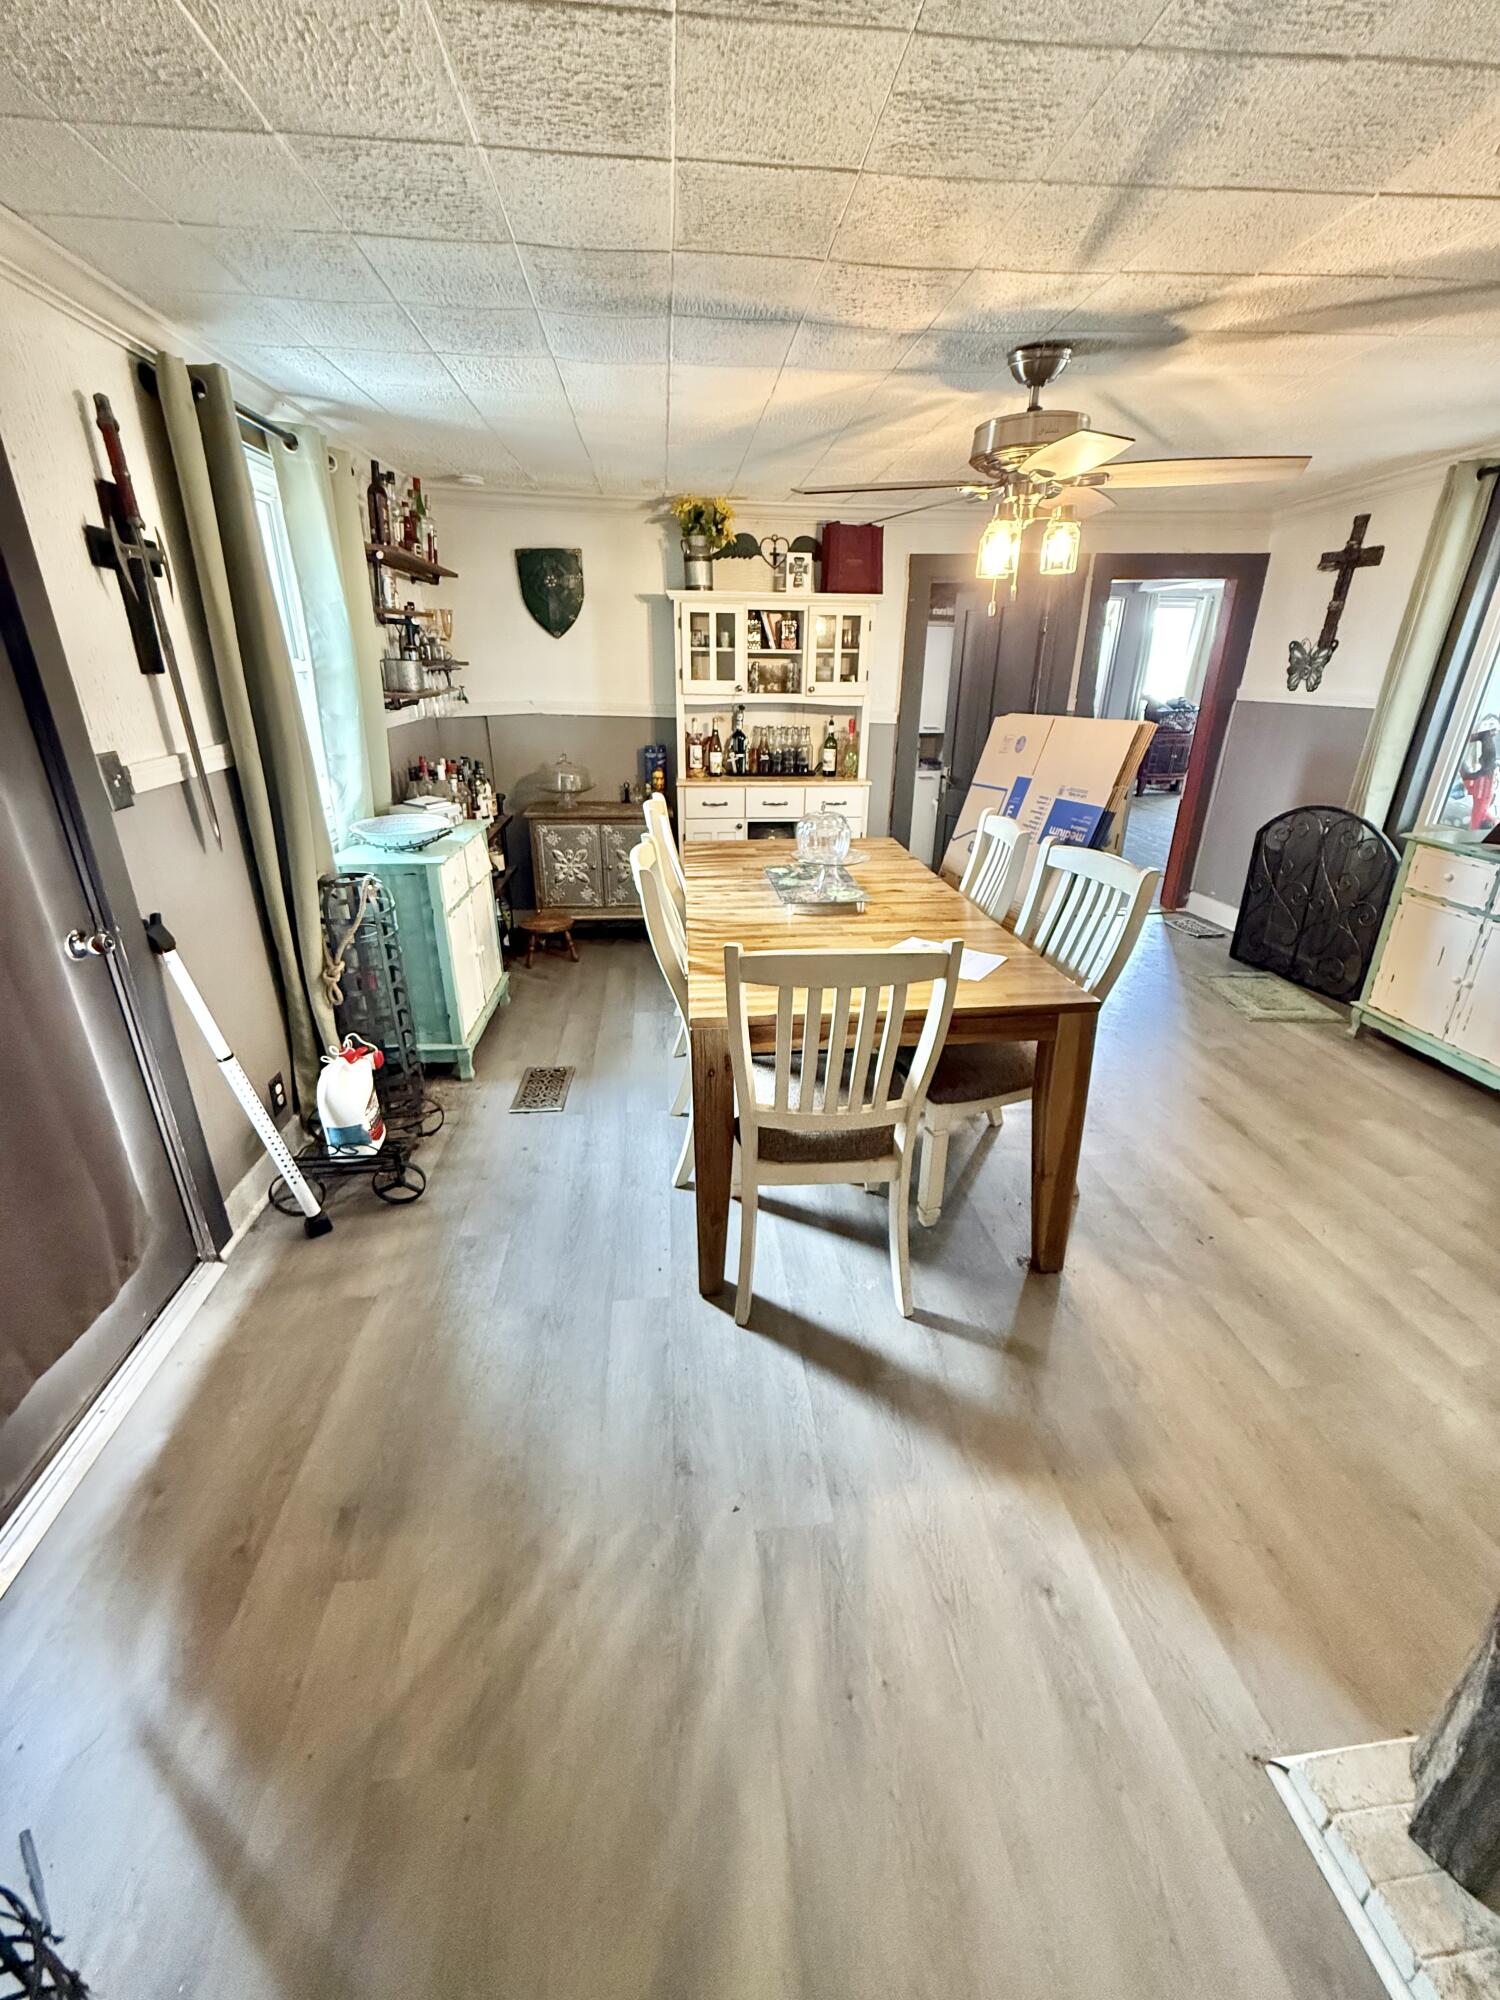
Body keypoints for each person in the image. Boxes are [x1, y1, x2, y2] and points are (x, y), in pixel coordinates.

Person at [1459, 713, 1500, 830]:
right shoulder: (1478, 823)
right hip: (1484, 792)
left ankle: (1484, 737)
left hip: (1482, 794)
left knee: (1482, 769)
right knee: (1487, 767)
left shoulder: (1475, 824)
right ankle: (1486, 736)